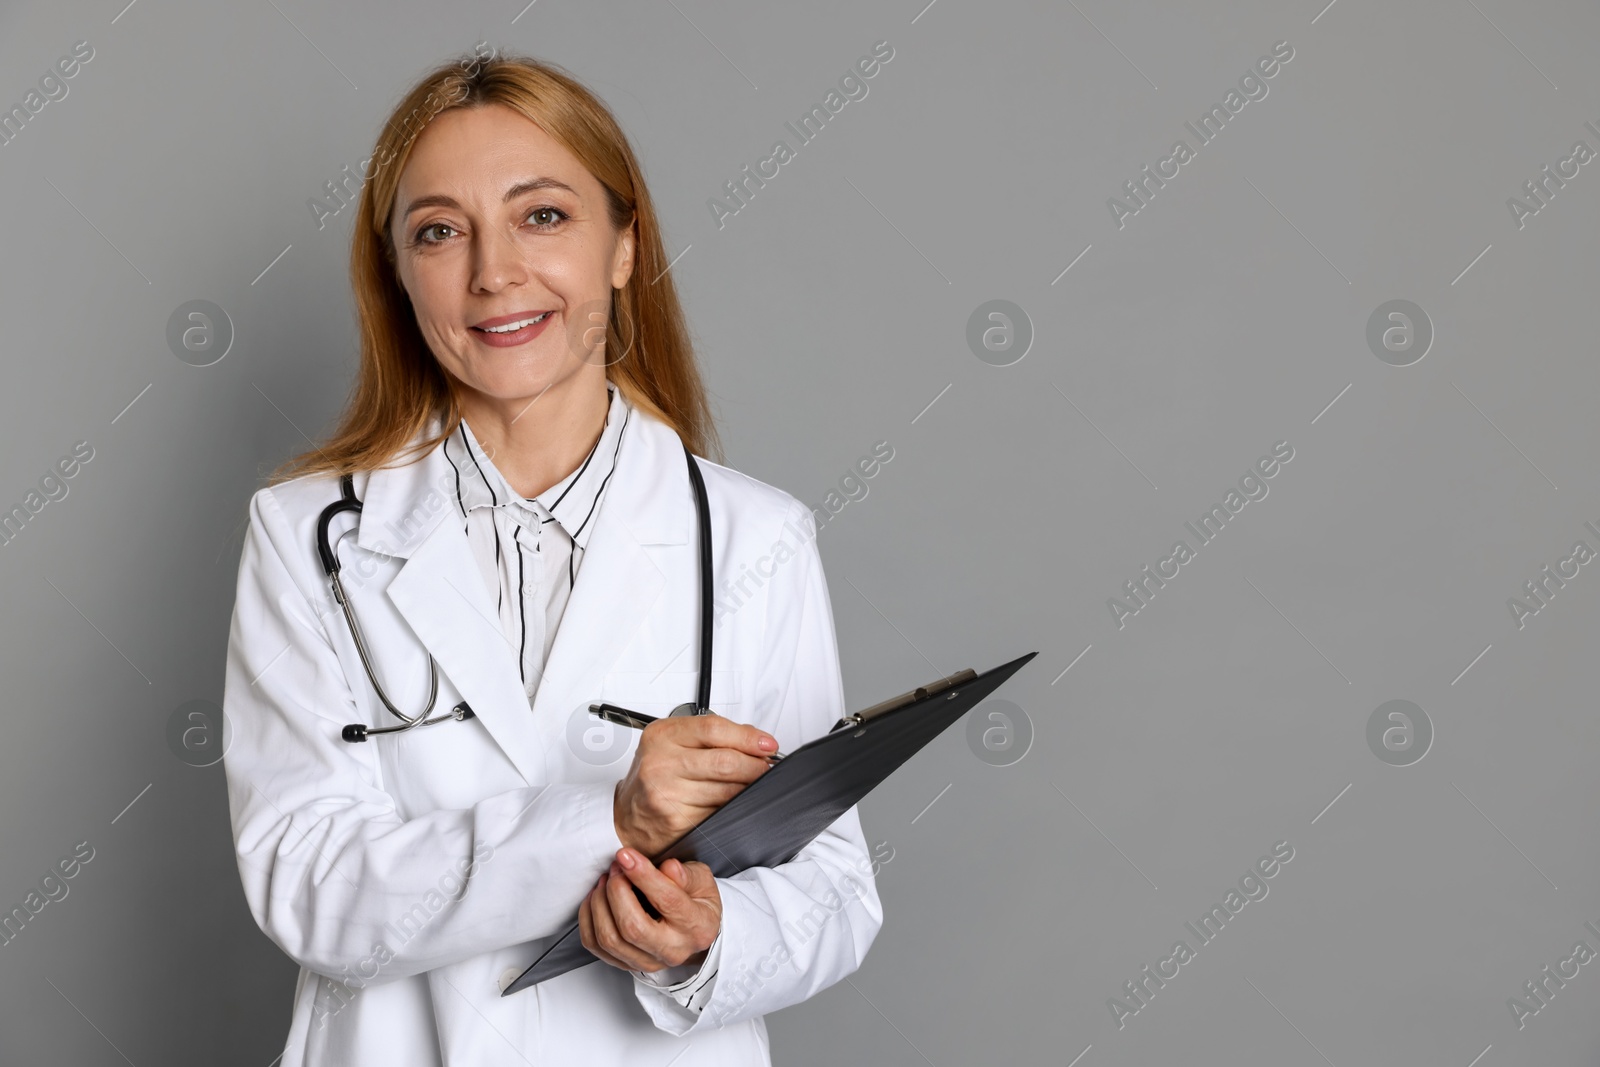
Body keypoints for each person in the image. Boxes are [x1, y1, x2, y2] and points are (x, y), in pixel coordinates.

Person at [220, 48, 882, 1067]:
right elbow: (304, 884)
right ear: (397, 274)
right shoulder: (308, 534)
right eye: (439, 231)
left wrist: (705, 940)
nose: (494, 272)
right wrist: (608, 817)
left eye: (543, 215)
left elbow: (831, 892)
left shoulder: (752, 537)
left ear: (624, 244)